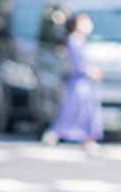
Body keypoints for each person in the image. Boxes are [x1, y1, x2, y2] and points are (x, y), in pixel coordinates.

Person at [42, 12, 103, 148]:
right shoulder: (74, 39)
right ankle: (55, 133)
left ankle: (87, 138)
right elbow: (78, 63)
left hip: (83, 81)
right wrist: (90, 71)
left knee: (86, 110)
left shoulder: (80, 39)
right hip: (78, 80)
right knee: (73, 109)